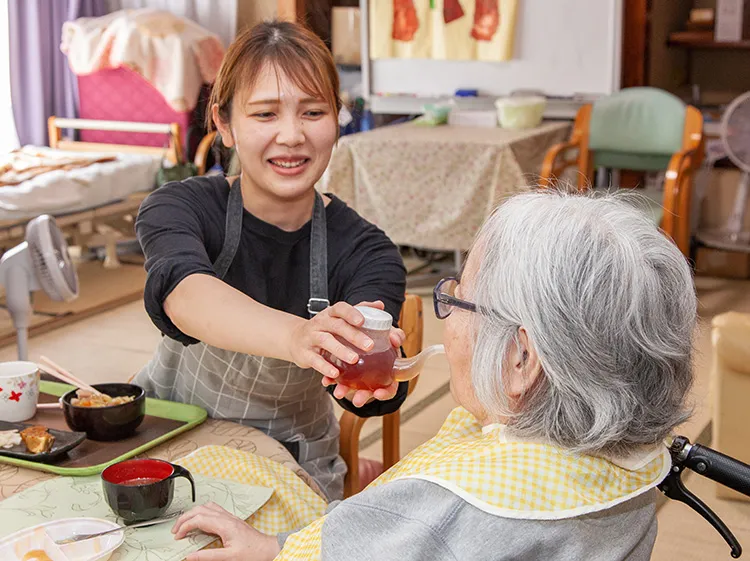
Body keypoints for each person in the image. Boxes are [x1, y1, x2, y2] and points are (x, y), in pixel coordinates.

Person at [171, 190, 697, 560]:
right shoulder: (627, 466)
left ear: (521, 362)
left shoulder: (445, 512)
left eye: (458, 299)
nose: (447, 314)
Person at [133, 21, 408, 502]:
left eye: (313, 111)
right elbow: (184, 294)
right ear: (224, 123)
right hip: (166, 443)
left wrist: (371, 372)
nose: (291, 135)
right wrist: (298, 336)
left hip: (290, 465)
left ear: (336, 118)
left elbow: (370, 357)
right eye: (264, 114)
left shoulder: (367, 249)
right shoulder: (180, 208)